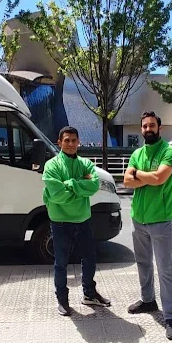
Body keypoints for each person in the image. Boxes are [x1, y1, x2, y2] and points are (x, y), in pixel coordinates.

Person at [122, 111, 172, 340]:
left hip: (161, 220)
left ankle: (171, 317)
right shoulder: (137, 153)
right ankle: (148, 300)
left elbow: (159, 179)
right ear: (141, 129)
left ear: (159, 128)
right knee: (143, 264)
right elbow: (127, 181)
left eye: (152, 125)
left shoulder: (169, 152)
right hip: (139, 218)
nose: (148, 129)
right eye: (145, 126)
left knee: (165, 269)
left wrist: (138, 174)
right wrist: (146, 177)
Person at [42, 126, 111, 316]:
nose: (71, 144)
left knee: (89, 258)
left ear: (78, 142)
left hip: (83, 220)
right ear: (59, 143)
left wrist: (70, 184)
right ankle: (62, 299)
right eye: (67, 140)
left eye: (74, 140)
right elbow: (57, 195)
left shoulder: (86, 164)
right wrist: (81, 189)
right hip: (60, 222)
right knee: (61, 263)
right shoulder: (51, 166)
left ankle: (89, 294)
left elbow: (94, 186)